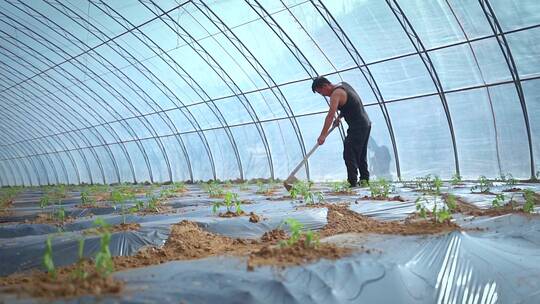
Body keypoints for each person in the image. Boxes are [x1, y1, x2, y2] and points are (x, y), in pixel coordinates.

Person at [312, 76, 372, 187]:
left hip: (358, 125)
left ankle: (352, 182)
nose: (323, 95)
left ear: (325, 86)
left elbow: (330, 115)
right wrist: (339, 116)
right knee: (360, 154)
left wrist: (322, 135)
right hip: (365, 123)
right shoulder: (343, 85)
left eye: (322, 92)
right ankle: (364, 180)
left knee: (349, 153)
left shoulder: (336, 94)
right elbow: (350, 104)